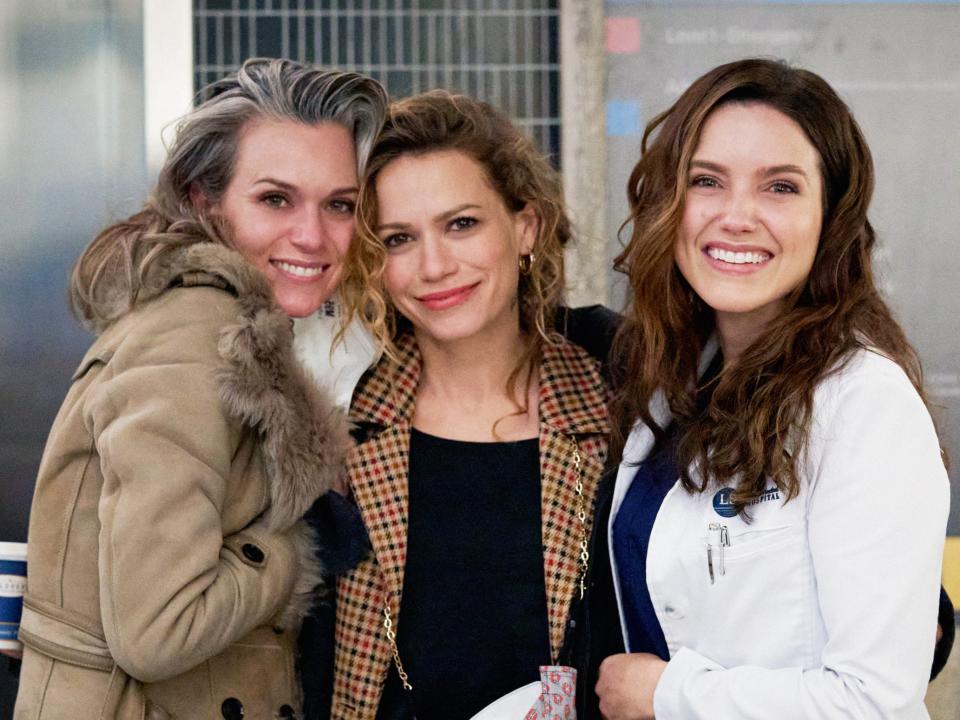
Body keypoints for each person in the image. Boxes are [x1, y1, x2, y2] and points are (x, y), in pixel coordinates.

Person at [13, 58, 386, 720]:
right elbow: (159, 630)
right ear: (202, 199)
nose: (313, 234)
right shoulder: (196, 344)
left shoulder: (224, 324)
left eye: (340, 205)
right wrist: (300, 545)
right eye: (275, 198)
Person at [585, 58, 950, 719]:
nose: (736, 216)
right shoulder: (672, 380)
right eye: (707, 181)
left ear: (830, 216)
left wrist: (666, 695)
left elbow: (871, 701)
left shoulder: (865, 404)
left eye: (779, 187)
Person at [324, 91, 610, 719]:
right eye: (398, 239)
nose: (434, 265)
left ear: (526, 226)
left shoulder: (622, 410)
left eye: (462, 224)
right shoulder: (340, 434)